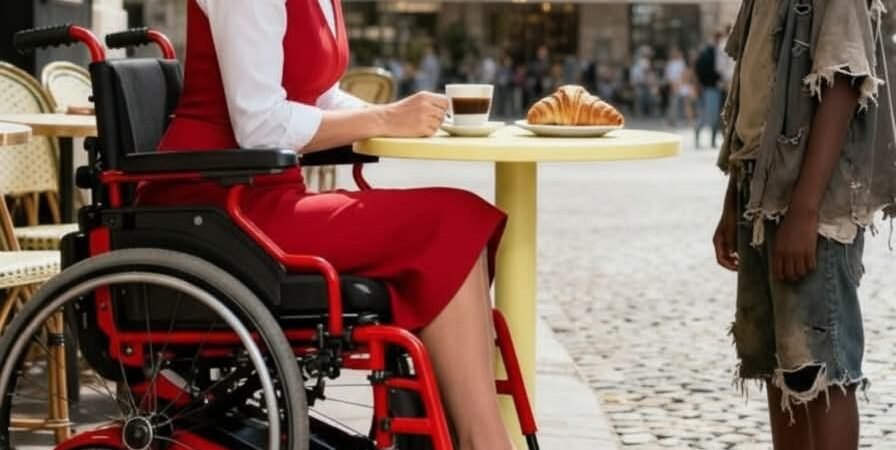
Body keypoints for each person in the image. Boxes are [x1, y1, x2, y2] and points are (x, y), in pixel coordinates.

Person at [136, 1, 517, 450]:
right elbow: (259, 125)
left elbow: (317, 96)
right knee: (451, 221)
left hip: (262, 194)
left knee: (452, 222)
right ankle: (485, 441)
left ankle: (470, 435)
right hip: (215, 202)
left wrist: (401, 118)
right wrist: (385, 119)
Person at [712, 2, 896, 450]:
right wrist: (733, 199)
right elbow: (751, 101)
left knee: (821, 367)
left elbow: (844, 81)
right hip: (760, 194)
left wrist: (805, 210)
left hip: (813, 204)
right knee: (781, 364)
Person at [694, 34, 723, 148]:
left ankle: (711, 140)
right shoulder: (709, 53)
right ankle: (706, 139)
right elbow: (699, 68)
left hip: (713, 87)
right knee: (710, 116)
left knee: (712, 115)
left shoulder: (710, 52)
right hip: (711, 88)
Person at [663, 47, 688, 126]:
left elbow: (684, 74)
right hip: (673, 85)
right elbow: (668, 76)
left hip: (681, 85)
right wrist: (672, 85)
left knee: (684, 104)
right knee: (673, 103)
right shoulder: (670, 64)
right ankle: (671, 120)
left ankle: (686, 119)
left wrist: (681, 83)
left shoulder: (681, 63)